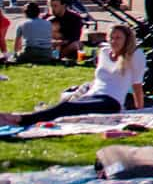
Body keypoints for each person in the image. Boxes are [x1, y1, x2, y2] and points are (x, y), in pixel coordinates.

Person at [0, 22, 145, 127]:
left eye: (118, 38)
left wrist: (140, 111)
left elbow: (137, 85)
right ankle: (23, 118)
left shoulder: (134, 55)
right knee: (66, 105)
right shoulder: (104, 52)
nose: (114, 41)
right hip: (93, 94)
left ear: (126, 40)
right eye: (111, 37)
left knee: (67, 108)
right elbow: (100, 79)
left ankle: (22, 119)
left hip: (111, 102)